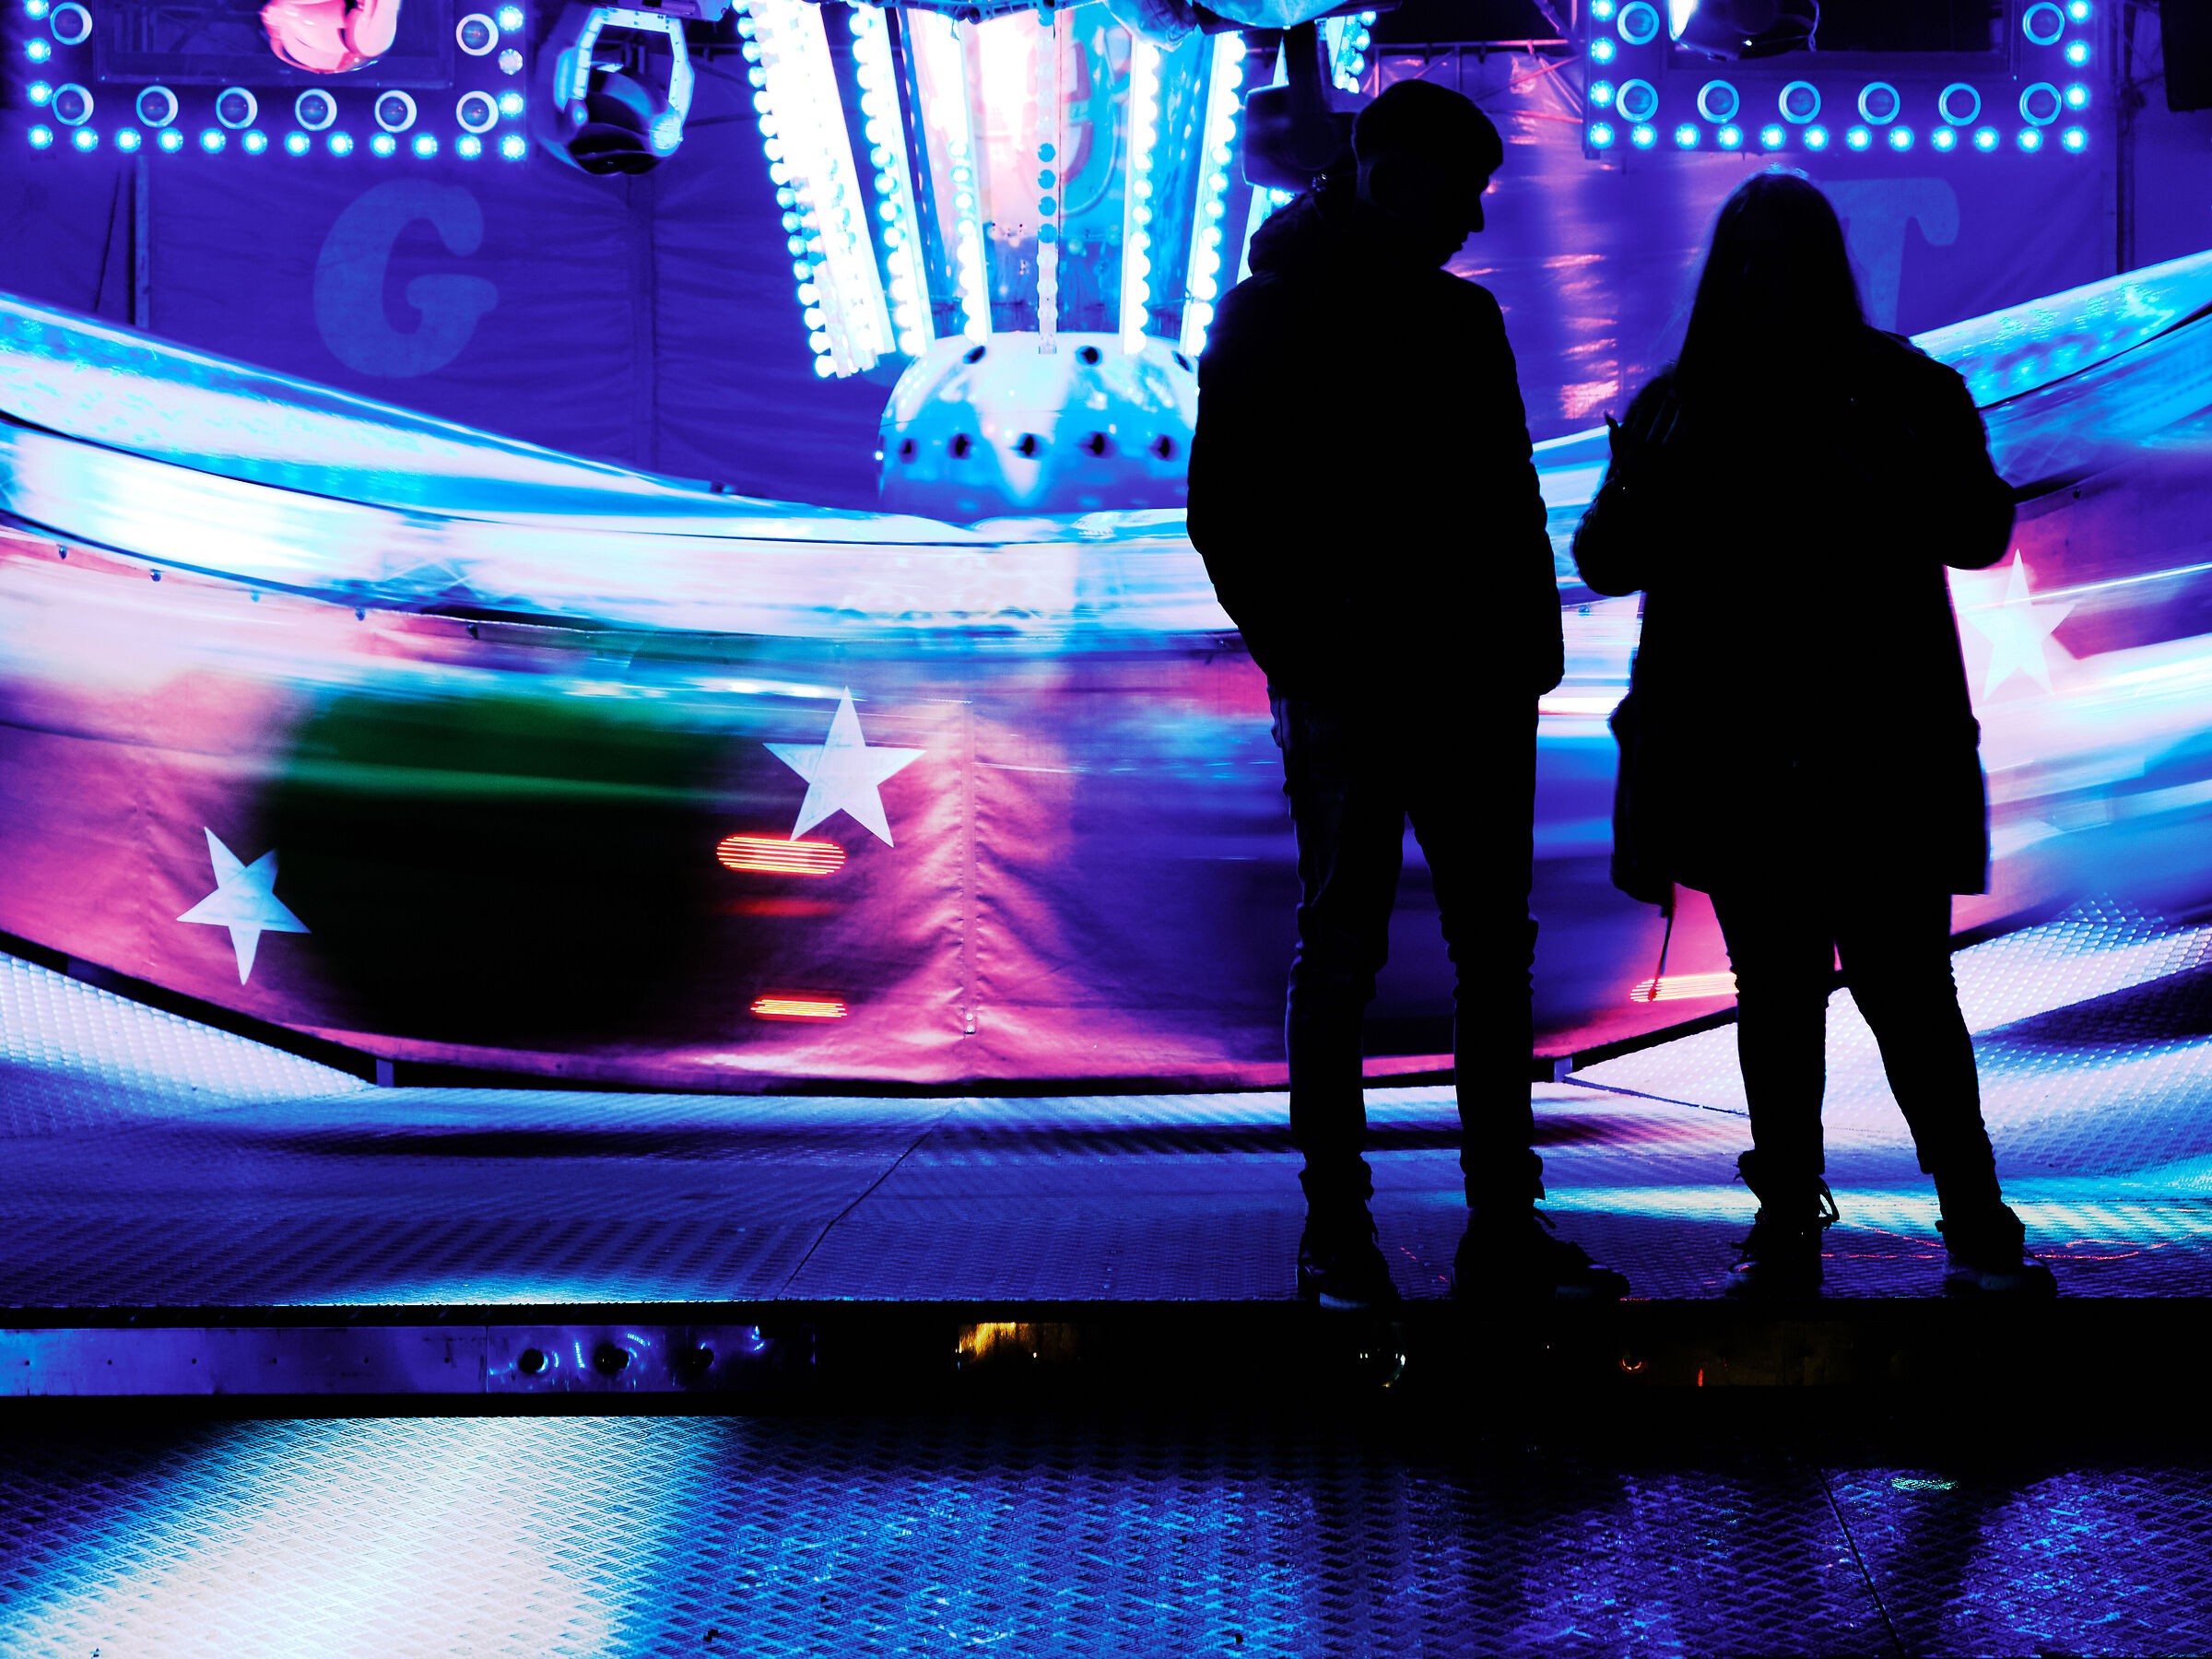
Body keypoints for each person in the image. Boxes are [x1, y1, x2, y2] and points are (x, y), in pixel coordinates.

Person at [1572, 171, 2054, 1298]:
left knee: (1797, 995)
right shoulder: (1891, 389)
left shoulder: (1690, 403)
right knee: (1891, 992)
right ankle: (1962, 1221)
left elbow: (1606, 561)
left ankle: (1808, 1220)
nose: (1766, 286)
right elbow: (1980, 531)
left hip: (1774, 749)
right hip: (1861, 743)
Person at [1188, 77, 1630, 1309]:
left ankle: (1347, 1233)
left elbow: (1227, 516)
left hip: (1382, 687)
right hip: (1447, 684)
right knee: (1472, 955)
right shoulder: (1434, 324)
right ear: (1395, 179)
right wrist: (1513, 658)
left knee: (1350, 955)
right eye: (1463, 190)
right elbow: (1498, 510)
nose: (1476, 218)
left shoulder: (1276, 314)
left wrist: (1308, 652)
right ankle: (1486, 1227)